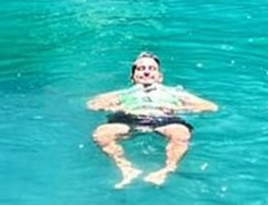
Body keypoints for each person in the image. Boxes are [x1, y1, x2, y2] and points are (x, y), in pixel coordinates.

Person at [86, 52, 218, 188]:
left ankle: (167, 169)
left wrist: (177, 108)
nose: (147, 72)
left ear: (160, 77)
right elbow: (93, 105)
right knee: (102, 133)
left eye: (151, 69)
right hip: (129, 118)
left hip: (164, 119)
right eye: (141, 69)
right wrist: (119, 106)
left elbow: (210, 107)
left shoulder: (174, 93)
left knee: (181, 133)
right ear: (132, 77)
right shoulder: (122, 94)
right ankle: (125, 168)